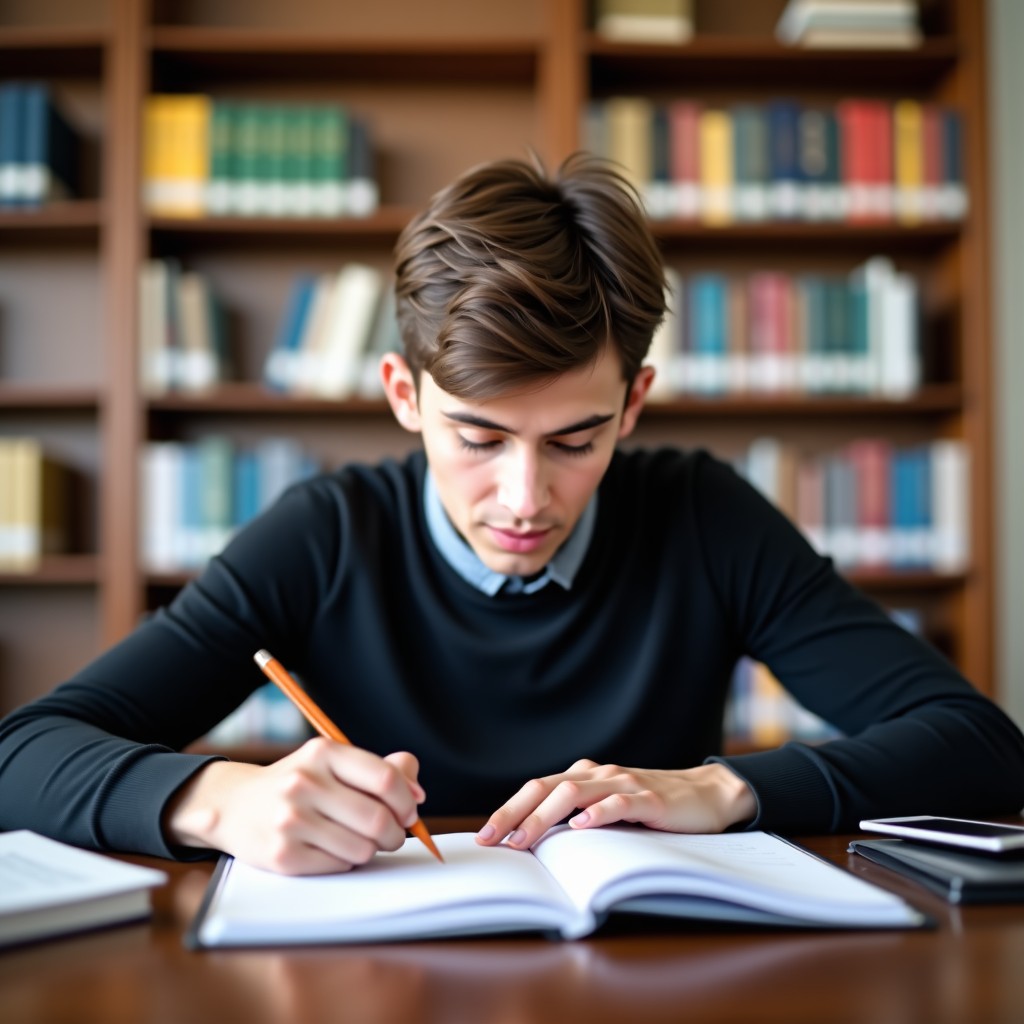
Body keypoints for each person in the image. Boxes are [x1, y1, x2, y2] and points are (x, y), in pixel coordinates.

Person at [1, 154, 1022, 875]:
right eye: (479, 439)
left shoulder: (705, 516)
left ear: (633, 401)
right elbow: (22, 753)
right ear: (404, 395)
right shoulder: (326, 533)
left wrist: (726, 789)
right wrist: (219, 799)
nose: (525, 500)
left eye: (574, 440)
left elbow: (980, 746)